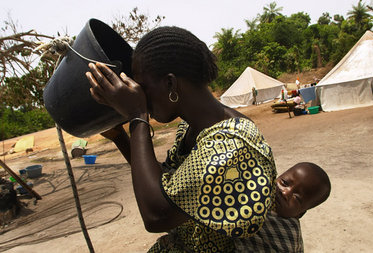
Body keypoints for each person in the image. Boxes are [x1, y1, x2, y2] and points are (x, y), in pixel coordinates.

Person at [86, 26, 277, 252]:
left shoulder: (233, 145)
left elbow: (157, 214)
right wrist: (119, 136)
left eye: (143, 87)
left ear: (170, 84)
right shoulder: (191, 126)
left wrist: (138, 116)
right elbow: (167, 184)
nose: (140, 95)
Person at [235, 162, 331, 252]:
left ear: (299, 214)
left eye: (297, 198)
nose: (285, 193)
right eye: (284, 183)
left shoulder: (288, 231)